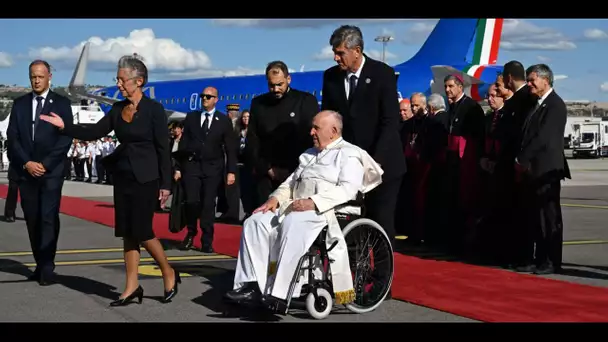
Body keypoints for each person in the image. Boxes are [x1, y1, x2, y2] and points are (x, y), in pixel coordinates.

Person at [39, 55, 180, 305]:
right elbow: (94, 132)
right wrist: (65, 126)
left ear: (139, 81)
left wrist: (166, 184)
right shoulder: (116, 109)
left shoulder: (154, 110)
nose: (119, 84)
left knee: (143, 231)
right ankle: (131, 286)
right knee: (127, 233)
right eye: (117, 79)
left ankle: (167, 271)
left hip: (147, 177)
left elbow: (162, 149)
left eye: (122, 80)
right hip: (123, 175)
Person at [224, 110, 383, 313]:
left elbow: (347, 190)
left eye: (316, 128)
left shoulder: (350, 154)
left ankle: (279, 295)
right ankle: (253, 285)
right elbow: (290, 183)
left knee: (293, 224)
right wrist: (274, 198)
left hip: (328, 211)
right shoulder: (309, 154)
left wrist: (313, 202)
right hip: (297, 206)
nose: (311, 132)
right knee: (255, 222)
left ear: (333, 131)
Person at [321, 25, 406, 244]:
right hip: (349, 167)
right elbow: (331, 121)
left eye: (340, 53)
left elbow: (390, 123)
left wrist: (373, 162)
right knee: (350, 223)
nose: (335, 58)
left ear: (356, 51)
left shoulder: (383, 74)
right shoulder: (331, 78)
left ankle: (382, 274)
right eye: (335, 52)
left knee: (380, 221)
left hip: (382, 165)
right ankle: (352, 275)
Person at [6, 60, 73, 286]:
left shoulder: (62, 103)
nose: (36, 80)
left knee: (48, 217)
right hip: (27, 172)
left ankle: (47, 265)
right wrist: (27, 163)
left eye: (40, 76)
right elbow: (12, 138)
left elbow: (65, 138)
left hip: (51, 172)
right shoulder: (20, 104)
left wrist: (45, 164)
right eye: (33, 76)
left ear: (49, 76)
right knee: (32, 218)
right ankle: (39, 261)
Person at [515, 63, 570, 275]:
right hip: (534, 171)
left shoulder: (555, 105)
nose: (529, 84)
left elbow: (543, 138)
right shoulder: (536, 105)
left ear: (545, 80)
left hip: (547, 169)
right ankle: (537, 258)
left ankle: (551, 259)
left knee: (549, 217)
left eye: (532, 80)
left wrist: (522, 158)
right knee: (535, 216)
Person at [245, 61, 319, 207]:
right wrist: (267, 168)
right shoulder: (258, 104)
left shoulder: (305, 101)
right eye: (272, 85)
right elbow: (253, 140)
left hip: (297, 172)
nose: (276, 89)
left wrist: (294, 170)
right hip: (267, 173)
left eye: (280, 84)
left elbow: (311, 138)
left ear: (288, 79)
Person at [174, 86, 237, 253]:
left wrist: (231, 171)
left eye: (209, 97)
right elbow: (184, 143)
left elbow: (230, 148)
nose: (205, 99)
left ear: (216, 99)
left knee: (208, 205)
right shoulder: (192, 118)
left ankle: (207, 240)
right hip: (192, 166)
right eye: (203, 96)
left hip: (212, 168)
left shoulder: (223, 121)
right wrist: (179, 167)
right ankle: (190, 232)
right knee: (191, 201)